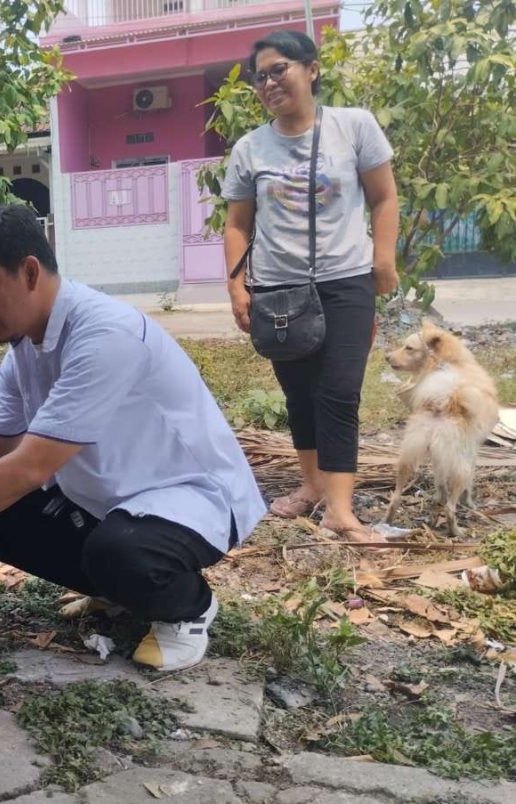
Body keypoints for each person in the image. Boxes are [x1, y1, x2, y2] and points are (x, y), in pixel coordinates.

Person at [0, 204, 266, 672]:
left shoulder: (105, 334)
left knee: (119, 551)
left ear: (30, 271)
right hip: (114, 501)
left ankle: (189, 607)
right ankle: (118, 590)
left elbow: (31, 466)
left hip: (190, 496)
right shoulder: (22, 353)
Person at [222, 30, 399, 542]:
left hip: (346, 280)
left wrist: (383, 260)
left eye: (279, 70)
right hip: (278, 289)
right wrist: (238, 289)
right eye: (260, 77)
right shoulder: (251, 148)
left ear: (312, 69)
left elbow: (384, 197)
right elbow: (238, 224)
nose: (269, 82)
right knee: (298, 394)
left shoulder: (354, 127)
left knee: (339, 392)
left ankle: (340, 511)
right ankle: (312, 485)